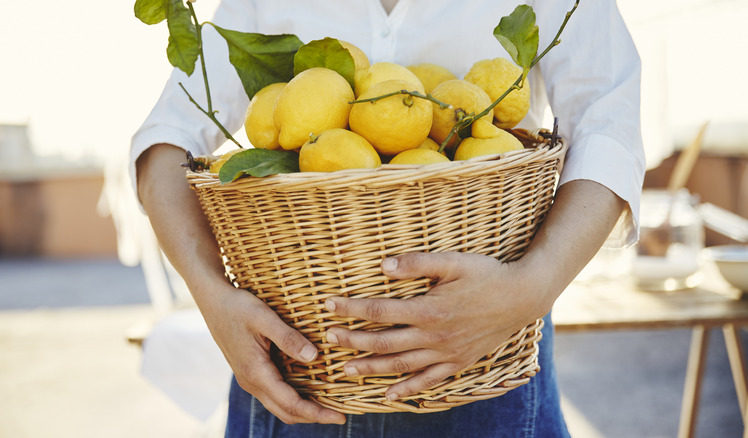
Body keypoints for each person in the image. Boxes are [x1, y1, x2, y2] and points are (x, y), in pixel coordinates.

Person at [131, 0, 645, 436]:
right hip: (297, 368)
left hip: (488, 357)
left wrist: (530, 288)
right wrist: (211, 296)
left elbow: (608, 123)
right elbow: (167, 139)